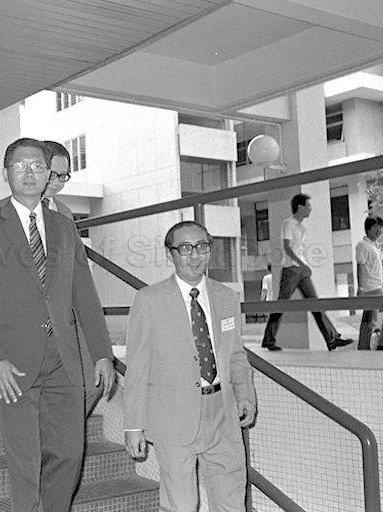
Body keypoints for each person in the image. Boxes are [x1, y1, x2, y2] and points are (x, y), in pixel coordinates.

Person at [0, 137, 116, 511]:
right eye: (20, 166)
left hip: (64, 360)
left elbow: (84, 296)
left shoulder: (64, 227)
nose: (29, 173)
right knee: (25, 465)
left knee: (68, 456)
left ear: (49, 174)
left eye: (37, 166)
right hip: (12, 365)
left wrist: (102, 353)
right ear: (7, 173)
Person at [124, 220, 256, 512]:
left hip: (222, 414)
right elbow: (137, 367)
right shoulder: (149, 300)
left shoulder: (226, 297)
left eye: (202, 247)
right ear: (170, 255)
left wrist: (245, 396)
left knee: (232, 500)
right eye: (185, 248)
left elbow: (235, 354)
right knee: (181, 505)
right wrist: (134, 425)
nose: (195, 255)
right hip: (174, 417)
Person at [42, 140, 104, 417]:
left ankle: (65, 433)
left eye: (63, 176)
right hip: (31, 321)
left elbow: (77, 267)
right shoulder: (5, 211)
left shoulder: (65, 213)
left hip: (68, 313)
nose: (56, 182)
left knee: (94, 382)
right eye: (51, 174)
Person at [261, 193, 353, 351]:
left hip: (301, 270)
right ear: (300, 207)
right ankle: (268, 340)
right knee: (281, 304)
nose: (311, 209)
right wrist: (301, 265)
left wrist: (304, 266)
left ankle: (332, 339)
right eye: (308, 206)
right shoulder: (288, 224)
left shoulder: (302, 227)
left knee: (314, 302)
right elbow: (287, 248)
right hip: (291, 269)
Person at [356, 216, 383, 351]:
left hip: (377, 287)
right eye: (376, 227)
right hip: (371, 288)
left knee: (369, 319)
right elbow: (360, 266)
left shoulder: (375, 246)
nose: (379, 230)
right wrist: (361, 288)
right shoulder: (362, 245)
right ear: (368, 229)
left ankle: (364, 348)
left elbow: (382, 267)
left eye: (381, 227)